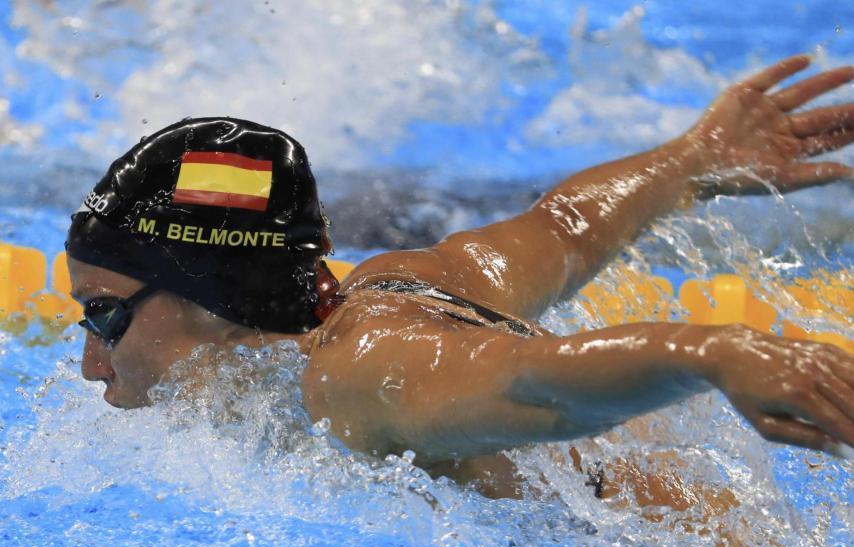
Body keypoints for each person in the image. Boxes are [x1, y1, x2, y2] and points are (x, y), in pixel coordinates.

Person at [67, 55, 854, 507]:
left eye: (104, 317)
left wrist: (715, 355)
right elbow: (564, 227)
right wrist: (693, 158)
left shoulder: (357, 373)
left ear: (210, 297)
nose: (90, 363)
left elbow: (539, 386)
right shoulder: (397, 282)